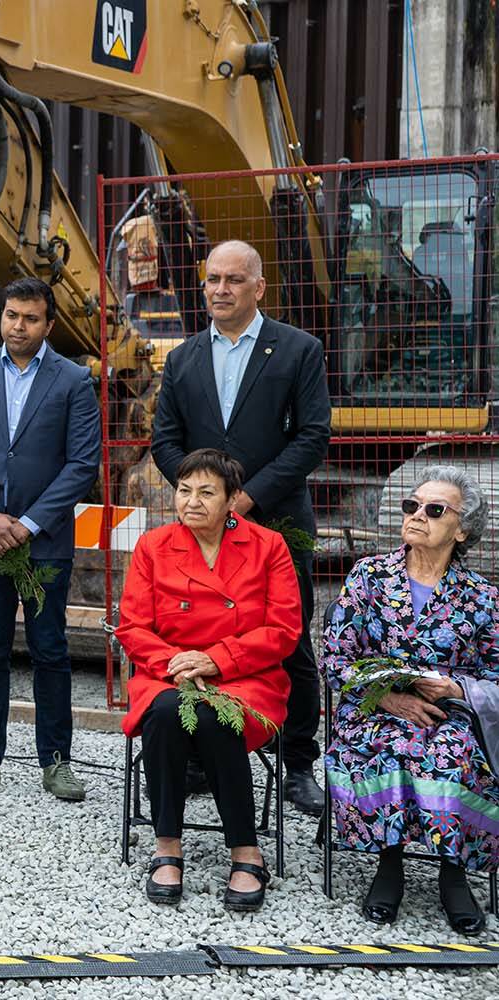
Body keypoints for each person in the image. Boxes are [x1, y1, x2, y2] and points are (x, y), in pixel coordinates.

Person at [150, 240, 331, 816]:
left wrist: (245, 499)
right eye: (212, 280)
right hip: (200, 532)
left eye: (233, 279)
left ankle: (299, 763)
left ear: (259, 288)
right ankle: (205, 752)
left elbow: (312, 437)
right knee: (199, 638)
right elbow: (164, 441)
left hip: (275, 522)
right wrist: (201, 498)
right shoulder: (182, 360)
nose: (220, 290)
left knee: (291, 643)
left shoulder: (298, 350)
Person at [0, 277, 101, 800]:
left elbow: (81, 465)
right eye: (11, 316)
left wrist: (26, 524)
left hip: (43, 541)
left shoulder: (73, 380)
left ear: (49, 325)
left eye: (29, 318)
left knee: (50, 649)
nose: (18, 326)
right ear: (1, 318)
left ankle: (56, 761)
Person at [117, 449, 301, 913]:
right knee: (165, 711)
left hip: (247, 676)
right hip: (168, 671)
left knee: (219, 714)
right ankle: (166, 845)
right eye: (184, 490)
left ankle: (245, 849)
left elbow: (284, 630)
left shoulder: (269, 547)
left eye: (206, 492)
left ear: (233, 499)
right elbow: (133, 627)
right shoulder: (154, 546)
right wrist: (178, 663)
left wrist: (217, 660)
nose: (192, 502)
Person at [323, 466, 496, 935]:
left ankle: (453, 872)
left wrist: (456, 689)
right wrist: (389, 701)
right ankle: (389, 863)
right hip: (374, 709)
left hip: (449, 715)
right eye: (412, 505)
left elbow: (495, 673)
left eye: (434, 510)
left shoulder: (483, 598)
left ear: (461, 530)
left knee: (451, 753)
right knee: (390, 747)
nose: (418, 515)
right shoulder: (369, 576)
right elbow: (335, 658)